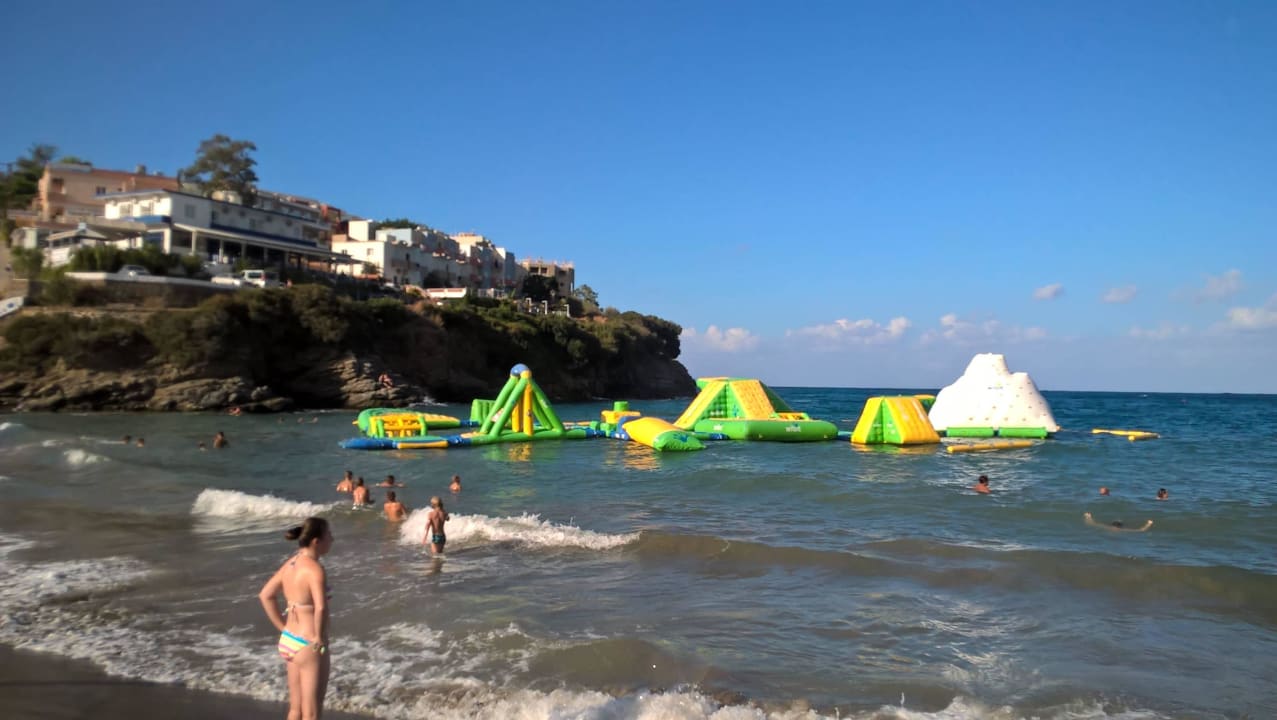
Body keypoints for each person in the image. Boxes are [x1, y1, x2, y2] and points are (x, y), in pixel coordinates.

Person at [257, 517, 333, 720]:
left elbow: (265, 595)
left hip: (290, 639)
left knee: (296, 710)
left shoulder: (290, 563)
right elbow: (321, 607)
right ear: (316, 541)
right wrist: (318, 636)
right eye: (329, 535)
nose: (332, 539)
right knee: (312, 713)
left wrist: (282, 627)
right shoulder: (315, 569)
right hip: (309, 643)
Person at [1084, 512, 1153, 532]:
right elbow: (1141, 530)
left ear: (1112, 525)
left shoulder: (1107, 527)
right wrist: (1149, 524)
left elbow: (1092, 524)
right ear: (1121, 526)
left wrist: (1088, 517)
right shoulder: (1123, 530)